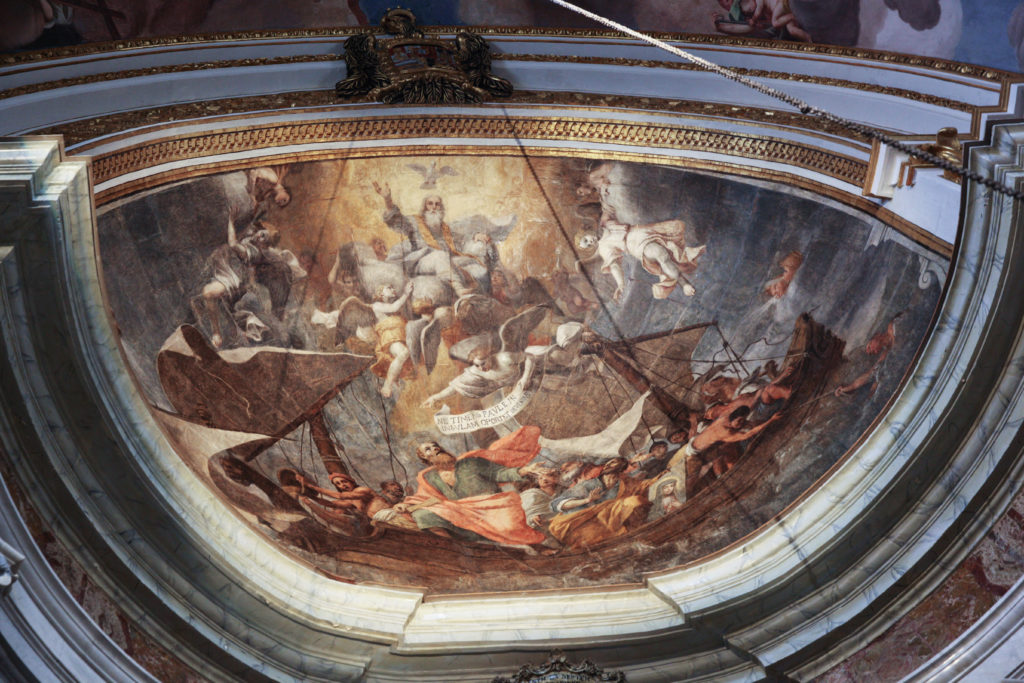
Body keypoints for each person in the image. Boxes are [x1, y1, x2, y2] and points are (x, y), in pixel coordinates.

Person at [393, 427, 549, 548]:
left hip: (491, 509)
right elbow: (430, 499)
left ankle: (539, 548)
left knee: (511, 527)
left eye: (435, 446)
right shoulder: (429, 477)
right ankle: (455, 549)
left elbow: (499, 473)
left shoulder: (471, 462)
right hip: (459, 518)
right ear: (424, 457)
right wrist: (408, 507)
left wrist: (524, 470)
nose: (435, 449)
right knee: (422, 515)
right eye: (428, 449)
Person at [199, 213, 305, 348]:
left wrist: (230, 221)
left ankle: (216, 333)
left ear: (264, 245)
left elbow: (233, 244)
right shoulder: (248, 237)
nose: (260, 236)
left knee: (208, 293)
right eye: (262, 233)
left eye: (264, 238)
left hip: (232, 278)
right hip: (221, 269)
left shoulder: (255, 252)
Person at [595, 207, 706, 301]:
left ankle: (685, 259)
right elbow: (614, 265)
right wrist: (620, 284)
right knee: (660, 254)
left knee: (672, 237)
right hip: (635, 245)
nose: (589, 242)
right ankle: (684, 283)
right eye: (587, 244)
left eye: (587, 239)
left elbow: (610, 205)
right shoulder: (603, 247)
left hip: (641, 231)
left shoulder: (605, 222)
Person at [548, 457, 652, 549]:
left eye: (616, 474)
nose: (612, 478)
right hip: (583, 522)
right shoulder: (589, 485)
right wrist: (587, 500)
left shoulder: (622, 483)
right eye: (610, 463)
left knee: (635, 502)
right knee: (592, 538)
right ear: (604, 469)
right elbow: (556, 504)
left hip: (611, 518)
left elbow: (640, 486)